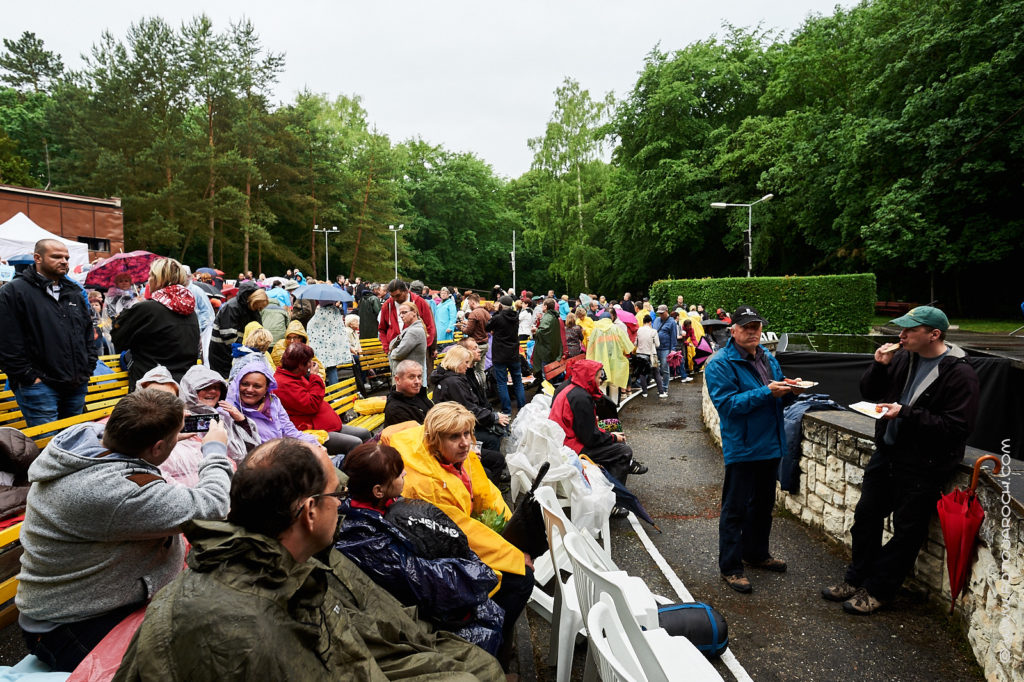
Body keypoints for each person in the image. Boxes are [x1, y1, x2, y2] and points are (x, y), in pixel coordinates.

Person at [114, 437, 503, 681]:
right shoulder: (243, 624)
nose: (345, 507)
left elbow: (367, 635)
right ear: (310, 512)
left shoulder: (303, 561)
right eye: (338, 497)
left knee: (478, 665)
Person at [16, 389, 232, 671]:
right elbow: (212, 506)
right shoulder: (114, 492)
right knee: (200, 659)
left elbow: (133, 459)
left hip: (84, 607)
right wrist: (215, 449)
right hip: (70, 628)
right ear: (156, 447)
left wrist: (164, 439)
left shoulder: (89, 441)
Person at [822, 306, 980, 615]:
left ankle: (879, 590)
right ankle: (857, 579)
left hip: (925, 465)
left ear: (934, 334)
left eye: (910, 330)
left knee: (907, 532)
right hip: (888, 455)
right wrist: (879, 366)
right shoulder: (904, 358)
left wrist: (905, 413)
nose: (901, 335)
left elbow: (958, 427)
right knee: (866, 517)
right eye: (902, 329)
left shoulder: (960, 373)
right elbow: (869, 392)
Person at [390, 402, 534, 667]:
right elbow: (459, 531)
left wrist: (512, 533)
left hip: (456, 541)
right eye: (455, 437)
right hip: (437, 557)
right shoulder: (423, 481)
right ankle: (491, 653)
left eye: (468, 434)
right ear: (434, 440)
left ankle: (498, 639)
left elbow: (486, 493)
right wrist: (513, 554)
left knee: (519, 571)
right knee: (521, 580)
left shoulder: (456, 456)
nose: (466, 443)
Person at [335, 441, 504, 655]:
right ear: (378, 490)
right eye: (397, 473)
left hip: (430, 594)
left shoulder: (382, 505)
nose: (405, 473)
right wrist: (479, 572)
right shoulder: (363, 537)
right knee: (487, 626)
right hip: (413, 619)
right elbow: (423, 580)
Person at [705, 305, 803, 594]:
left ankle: (757, 554)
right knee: (735, 508)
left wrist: (789, 391)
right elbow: (728, 406)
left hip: (771, 443)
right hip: (744, 446)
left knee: (762, 506)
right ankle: (731, 567)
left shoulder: (767, 357)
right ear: (732, 331)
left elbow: (777, 400)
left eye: (756, 327)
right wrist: (768, 392)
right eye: (746, 327)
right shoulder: (720, 363)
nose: (752, 332)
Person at [0, 239, 97, 427]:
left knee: (73, 443)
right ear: (37, 258)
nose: (64, 261)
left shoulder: (74, 292)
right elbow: (6, 340)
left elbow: (87, 333)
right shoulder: (14, 291)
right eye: (56, 256)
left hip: (76, 383)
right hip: (39, 387)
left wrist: (88, 367)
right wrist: (28, 376)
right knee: (47, 446)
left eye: (66, 257)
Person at [549, 359, 645, 517]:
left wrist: (608, 434)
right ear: (588, 376)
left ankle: (622, 471)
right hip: (571, 448)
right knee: (623, 451)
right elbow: (590, 438)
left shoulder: (570, 389)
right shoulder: (580, 398)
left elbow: (586, 428)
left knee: (612, 430)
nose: (601, 380)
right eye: (598, 376)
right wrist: (613, 438)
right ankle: (612, 502)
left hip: (565, 441)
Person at [274, 343, 372, 457]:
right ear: (300, 365)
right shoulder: (282, 383)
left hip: (325, 425)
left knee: (364, 434)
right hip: (314, 431)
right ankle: (355, 472)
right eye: (309, 361)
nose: (311, 364)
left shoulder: (295, 375)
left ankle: (372, 466)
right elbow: (311, 405)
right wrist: (315, 377)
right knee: (355, 443)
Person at [429, 345, 508, 484]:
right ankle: (483, 476)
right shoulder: (453, 382)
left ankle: (484, 471)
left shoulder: (453, 378)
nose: (468, 366)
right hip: (453, 430)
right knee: (493, 440)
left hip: (456, 426)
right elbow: (469, 409)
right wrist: (493, 417)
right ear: (457, 361)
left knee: (494, 434)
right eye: (466, 362)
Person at [227, 357, 320, 448]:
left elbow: (290, 432)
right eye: (245, 384)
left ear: (267, 388)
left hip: (280, 454)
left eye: (257, 386)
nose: (250, 390)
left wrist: (315, 444)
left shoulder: (273, 402)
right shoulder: (230, 409)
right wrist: (243, 422)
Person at [179, 364, 260, 463]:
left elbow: (252, 452)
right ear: (190, 391)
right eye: (205, 387)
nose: (213, 391)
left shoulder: (226, 417)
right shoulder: (180, 419)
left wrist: (242, 421)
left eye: (216, 387)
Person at [210, 282, 269, 377]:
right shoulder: (231, 307)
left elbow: (257, 329)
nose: (259, 309)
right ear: (253, 301)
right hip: (222, 354)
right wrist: (247, 348)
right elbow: (228, 336)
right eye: (259, 306)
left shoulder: (252, 309)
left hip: (236, 354)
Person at [487, 295, 526, 414]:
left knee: (502, 383)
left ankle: (507, 410)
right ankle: (522, 409)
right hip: (513, 354)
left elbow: (487, 327)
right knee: (518, 382)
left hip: (500, 355)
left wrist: (497, 312)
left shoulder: (498, 318)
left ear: (501, 305)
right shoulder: (516, 317)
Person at [585, 311, 635, 397]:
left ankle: (603, 407)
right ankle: (613, 407)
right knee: (614, 385)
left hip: (600, 364)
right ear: (610, 319)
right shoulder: (616, 329)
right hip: (615, 363)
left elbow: (590, 349)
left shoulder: (595, 331)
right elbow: (628, 347)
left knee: (602, 385)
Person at [378, 279, 436, 352]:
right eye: (392, 296)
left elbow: (430, 326)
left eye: (398, 295)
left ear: (406, 291)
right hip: (395, 351)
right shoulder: (387, 306)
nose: (395, 299)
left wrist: (424, 346)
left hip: (417, 351)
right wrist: (387, 349)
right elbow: (382, 329)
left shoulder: (420, 302)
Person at [306, 300, 352, 385]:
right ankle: (335, 393)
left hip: (321, 348)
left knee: (319, 369)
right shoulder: (336, 312)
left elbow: (311, 326)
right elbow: (340, 329)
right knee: (332, 369)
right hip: (333, 348)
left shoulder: (320, 313)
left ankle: (322, 390)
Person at [383, 359, 434, 429]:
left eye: (419, 377)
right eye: (411, 377)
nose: (417, 381)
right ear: (398, 380)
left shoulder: (418, 394)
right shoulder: (396, 410)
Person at [388, 301, 429, 380]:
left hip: (409, 379)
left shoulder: (414, 331)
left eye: (404, 312)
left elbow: (398, 353)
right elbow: (391, 345)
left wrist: (391, 352)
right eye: (400, 314)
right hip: (409, 376)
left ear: (414, 312)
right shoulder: (410, 329)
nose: (401, 316)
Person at [531, 298, 563, 384]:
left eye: (542, 305)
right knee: (551, 373)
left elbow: (543, 332)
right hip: (553, 349)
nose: (541, 306)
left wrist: (535, 330)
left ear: (546, 306)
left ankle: (548, 393)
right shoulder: (554, 316)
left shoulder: (548, 317)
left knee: (546, 375)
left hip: (546, 351)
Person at [462, 294, 491, 388]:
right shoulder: (486, 312)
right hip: (485, 343)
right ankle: (483, 389)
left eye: (469, 303)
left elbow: (468, 331)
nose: (469, 305)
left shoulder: (473, 313)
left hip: (476, 345)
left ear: (472, 302)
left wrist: (461, 327)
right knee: (480, 370)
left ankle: (475, 390)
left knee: (471, 370)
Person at [652, 304, 678, 398]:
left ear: (667, 311)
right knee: (655, 368)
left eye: (662, 313)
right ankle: (660, 387)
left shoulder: (672, 322)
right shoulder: (656, 320)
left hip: (665, 348)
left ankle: (665, 388)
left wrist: (673, 349)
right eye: (659, 313)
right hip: (655, 348)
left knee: (664, 368)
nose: (660, 315)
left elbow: (673, 336)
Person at [635, 313, 662, 398]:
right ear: (650, 322)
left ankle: (644, 392)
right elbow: (657, 344)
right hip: (652, 355)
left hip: (641, 354)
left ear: (643, 322)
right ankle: (661, 392)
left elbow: (635, 343)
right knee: (656, 373)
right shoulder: (653, 331)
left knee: (642, 373)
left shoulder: (639, 330)